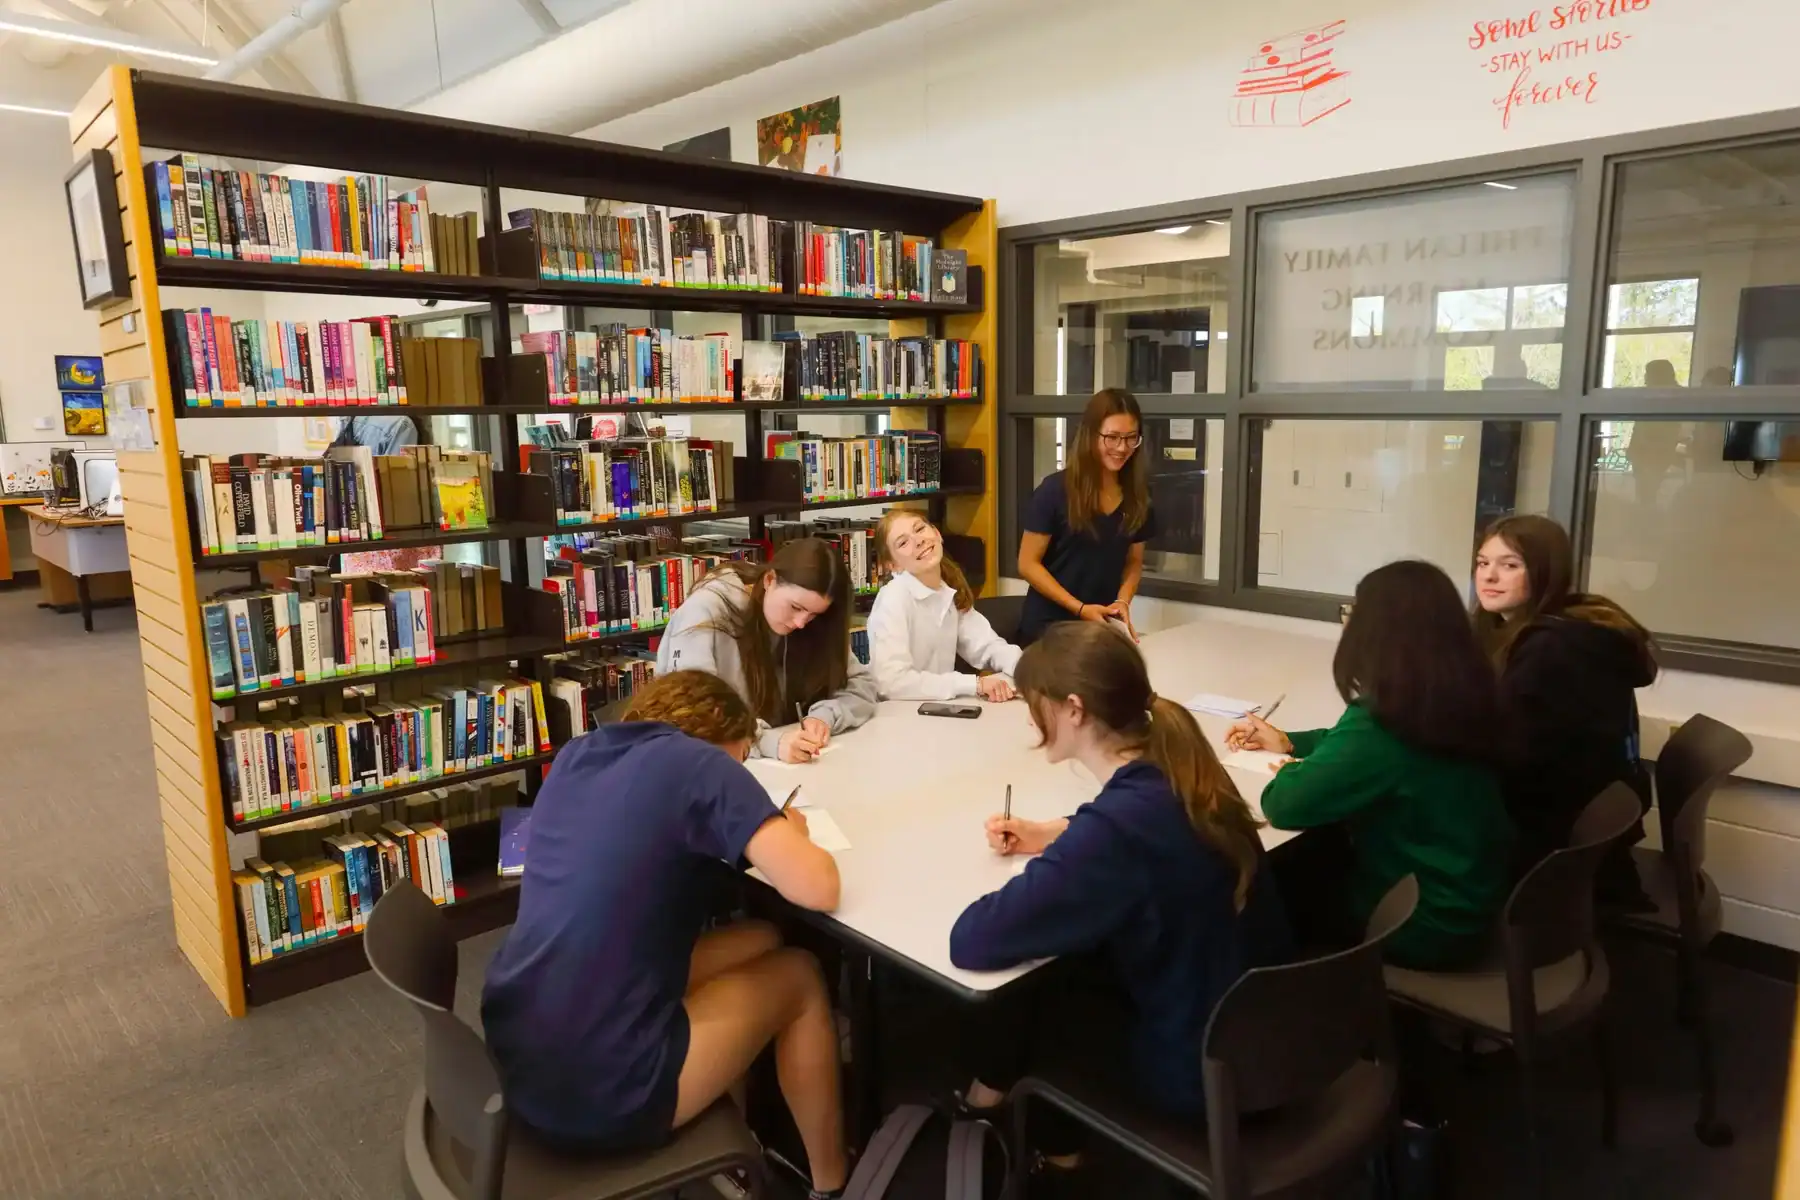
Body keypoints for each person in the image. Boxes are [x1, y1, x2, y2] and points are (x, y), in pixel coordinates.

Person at [481, 670, 849, 1199]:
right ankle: (832, 1186)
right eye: (742, 756)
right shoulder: (701, 765)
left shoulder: (579, 753)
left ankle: (737, 1133)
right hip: (600, 1091)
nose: (741, 769)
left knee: (762, 937)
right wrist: (789, 833)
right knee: (800, 975)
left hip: (518, 1051)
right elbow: (819, 886)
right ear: (721, 740)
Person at [948, 621, 1292, 1162]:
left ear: (1074, 710)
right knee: (1068, 967)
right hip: (1274, 1043)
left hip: (1202, 1077)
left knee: (1030, 998)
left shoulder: (1114, 833)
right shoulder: (1187, 771)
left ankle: (1043, 1157)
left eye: (1036, 704)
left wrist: (1072, 845)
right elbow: (1133, 836)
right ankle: (1007, 1124)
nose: (1031, 717)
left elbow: (972, 939)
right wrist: (1059, 831)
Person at [1229, 560, 1513, 969]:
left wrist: (1290, 769)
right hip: (1468, 897)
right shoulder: (1456, 697)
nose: (1347, 624)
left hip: (1421, 922)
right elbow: (1364, 752)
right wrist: (1292, 741)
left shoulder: (1384, 721)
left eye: (1352, 613)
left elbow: (1286, 804)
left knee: (1265, 883)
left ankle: (1279, 1005)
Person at [1472, 514, 1658, 888]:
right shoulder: (1564, 627)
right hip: (1582, 833)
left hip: (1550, 847)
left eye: (1509, 565)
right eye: (1482, 563)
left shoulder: (1553, 649)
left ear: (1545, 573)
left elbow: (1510, 756)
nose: (1489, 577)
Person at [656, 537, 878, 764]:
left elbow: (862, 685)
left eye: (813, 615)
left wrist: (825, 717)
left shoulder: (815, 622)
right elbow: (690, 714)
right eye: (795, 607)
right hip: (713, 766)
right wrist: (769, 742)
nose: (801, 623)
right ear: (769, 580)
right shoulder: (706, 611)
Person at [1016, 388, 1158, 644]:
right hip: (1048, 630)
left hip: (1099, 627)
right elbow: (1027, 564)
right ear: (1091, 436)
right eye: (1112, 437)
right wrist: (1080, 608)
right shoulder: (1055, 490)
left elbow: (1134, 561)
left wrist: (1122, 602)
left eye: (1131, 438)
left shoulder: (1138, 495)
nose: (1122, 448)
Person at [865, 509, 1021, 701]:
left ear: (937, 533)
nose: (918, 541)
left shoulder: (948, 591)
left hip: (936, 712)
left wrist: (1026, 669)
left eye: (920, 529)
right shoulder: (893, 598)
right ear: (893, 565)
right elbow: (891, 682)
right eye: (903, 543)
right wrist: (975, 684)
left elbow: (987, 646)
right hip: (898, 716)